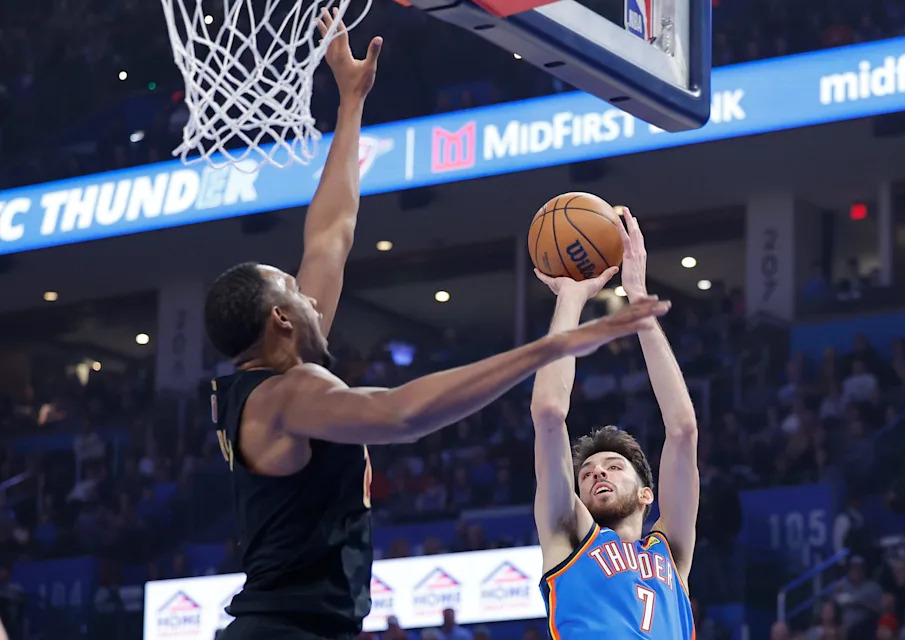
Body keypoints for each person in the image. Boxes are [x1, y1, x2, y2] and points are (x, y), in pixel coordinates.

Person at [205, 14, 672, 640]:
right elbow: (401, 415)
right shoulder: (283, 397)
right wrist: (556, 345)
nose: (313, 295)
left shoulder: (277, 367)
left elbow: (330, 237)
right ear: (280, 321)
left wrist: (350, 104)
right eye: (294, 291)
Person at [530, 207, 698, 639]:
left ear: (647, 494)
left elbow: (682, 430)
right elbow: (549, 412)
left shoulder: (670, 552)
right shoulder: (568, 536)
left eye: (612, 467)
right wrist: (570, 298)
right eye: (586, 473)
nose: (597, 473)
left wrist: (640, 306)